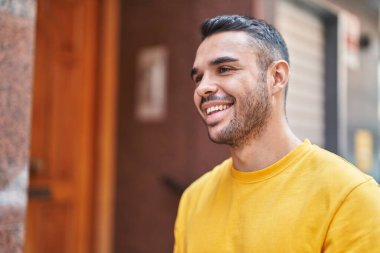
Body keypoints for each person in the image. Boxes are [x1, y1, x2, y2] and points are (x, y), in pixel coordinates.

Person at [173, 15, 380, 252]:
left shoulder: (351, 198)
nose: (202, 88)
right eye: (198, 77)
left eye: (224, 69)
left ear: (277, 77)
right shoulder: (194, 199)